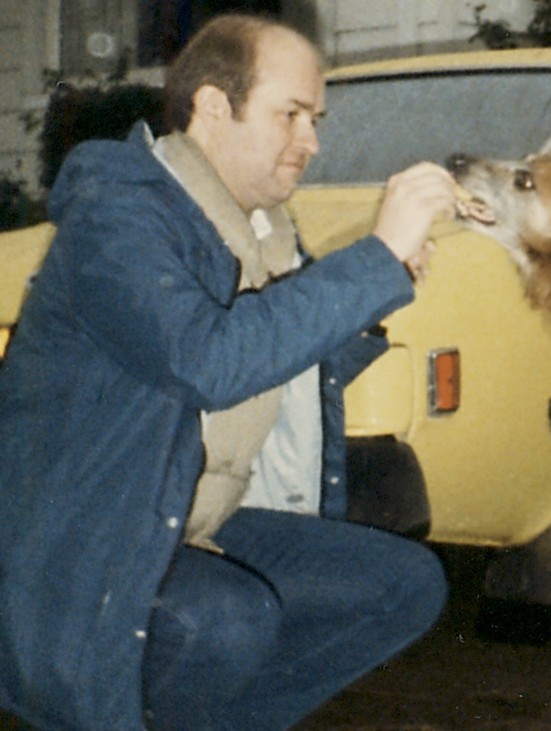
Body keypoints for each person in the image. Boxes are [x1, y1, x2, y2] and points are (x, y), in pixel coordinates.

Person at [0, 14, 453, 730]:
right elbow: (207, 360)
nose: (312, 142)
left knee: (402, 584)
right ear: (214, 105)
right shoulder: (117, 209)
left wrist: (361, 312)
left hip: (185, 513)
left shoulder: (261, 230)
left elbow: (272, 366)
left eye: (316, 118)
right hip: (82, 540)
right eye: (292, 115)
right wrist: (370, 263)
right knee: (225, 617)